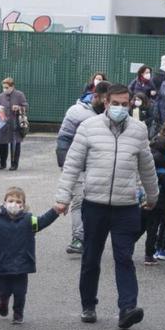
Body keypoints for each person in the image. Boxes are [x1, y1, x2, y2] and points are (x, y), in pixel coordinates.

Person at [53, 83, 158, 330]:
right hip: (95, 204)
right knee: (91, 258)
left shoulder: (139, 130)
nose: (120, 107)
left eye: (125, 103)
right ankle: (88, 304)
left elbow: (147, 166)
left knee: (124, 257)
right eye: (116, 103)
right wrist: (62, 197)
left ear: (130, 103)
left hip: (126, 205)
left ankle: (127, 309)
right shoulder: (88, 128)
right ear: (106, 103)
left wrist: (152, 195)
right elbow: (72, 164)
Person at [0, 186, 60, 325]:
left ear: (23, 205)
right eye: (11, 200)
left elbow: (43, 221)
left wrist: (55, 211)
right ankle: (3, 301)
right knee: (3, 291)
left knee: (20, 292)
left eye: (18, 201)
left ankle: (18, 313)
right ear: (4, 202)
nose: (14, 204)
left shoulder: (29, 220)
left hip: (23, 263)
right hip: (4, 263)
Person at [58, 81, 109, 255]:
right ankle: (78, 238)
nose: (106, 104)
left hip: (99, 166)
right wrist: (65, 165)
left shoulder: (110, 115)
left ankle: (91, 237)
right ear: (96, 97)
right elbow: (63, 139)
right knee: (78, 200)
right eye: (104, 100)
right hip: (78, 165)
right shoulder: (76, 112)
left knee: (94, 202)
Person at [144, 118, 165, 264]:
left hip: (148, 202)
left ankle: (148, 253)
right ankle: (152, 253)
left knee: (145, 228)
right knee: (156, 228)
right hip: (162, 205)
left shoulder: (150, 165)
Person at [0, 78, 27, 171]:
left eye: (6, 87)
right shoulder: (0, 97)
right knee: (2, 143)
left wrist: (19, 108)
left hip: (15, 123)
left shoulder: (19, 95)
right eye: (3, 87)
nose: (5, 89)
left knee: (15, 144)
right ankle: (2, 163)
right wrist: (0, 111)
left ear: (12, 87)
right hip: (4, 123)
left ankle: (14, 164)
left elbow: (26, 106)